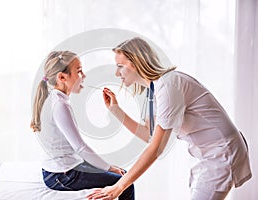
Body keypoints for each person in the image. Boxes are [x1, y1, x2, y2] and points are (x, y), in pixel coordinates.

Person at [87, 37, 252, 200]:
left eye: (120, 66)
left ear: (136, 63)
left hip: (222, 152)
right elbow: (148, 135)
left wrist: (119, 186)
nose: (117, 73)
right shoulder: (154, 90)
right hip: (210, 154)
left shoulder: (169, 85)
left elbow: (156, 148)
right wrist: (116, 110)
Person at [30, 50, 134, 200]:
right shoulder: (59, 104)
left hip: (63, 169)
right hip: (62, 175)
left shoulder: (55, 99)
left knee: (124, 174)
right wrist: (109, 168)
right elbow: (81, 147)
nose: (84, 75)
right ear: (62, 77)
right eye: (79, 71)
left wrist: (108, 168)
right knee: (125, 183)